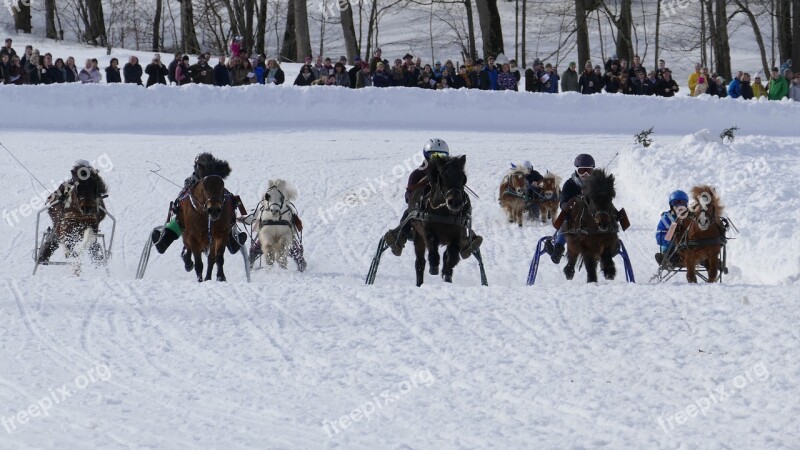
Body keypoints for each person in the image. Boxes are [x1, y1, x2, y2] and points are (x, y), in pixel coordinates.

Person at [383, 139, 483, 259]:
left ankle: (465, 242)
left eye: (441, 156)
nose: (437, 159)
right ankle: (399, 238)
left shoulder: (450, 173)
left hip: (449, 213)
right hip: (423, 214)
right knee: (409, 212)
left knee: (462, 206)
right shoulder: (418, 174)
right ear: (426, 156)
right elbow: (409, 197)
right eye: (434, 155)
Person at [151, 153, 245, 255]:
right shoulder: (200, 179)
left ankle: (232, 243)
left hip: (205, 215)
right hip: (202, 215)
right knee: (183, 219)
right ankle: (163, 242)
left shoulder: (205, 179)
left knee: (182, 221)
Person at [543, 154, 596, 264]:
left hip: (591, 216)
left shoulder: (596, 184)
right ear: (576, 170)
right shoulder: (569, 184)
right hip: (574, 217)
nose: (585, 174)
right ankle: (558, 248)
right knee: (565, 224)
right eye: (582, 171)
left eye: (588, 171)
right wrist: (570, 206)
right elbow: (562, 202)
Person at [654, 190, 688, 266]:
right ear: (671, 205)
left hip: (688, 249)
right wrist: (672, 236)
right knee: (671, 252)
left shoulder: (690, 218)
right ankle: (667, 260)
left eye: (682, 203)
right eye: (676, 203)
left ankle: (707, 259)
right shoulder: (667, 218)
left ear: (686, 205)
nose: (679, 206)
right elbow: (659, 238)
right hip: (672, 250)